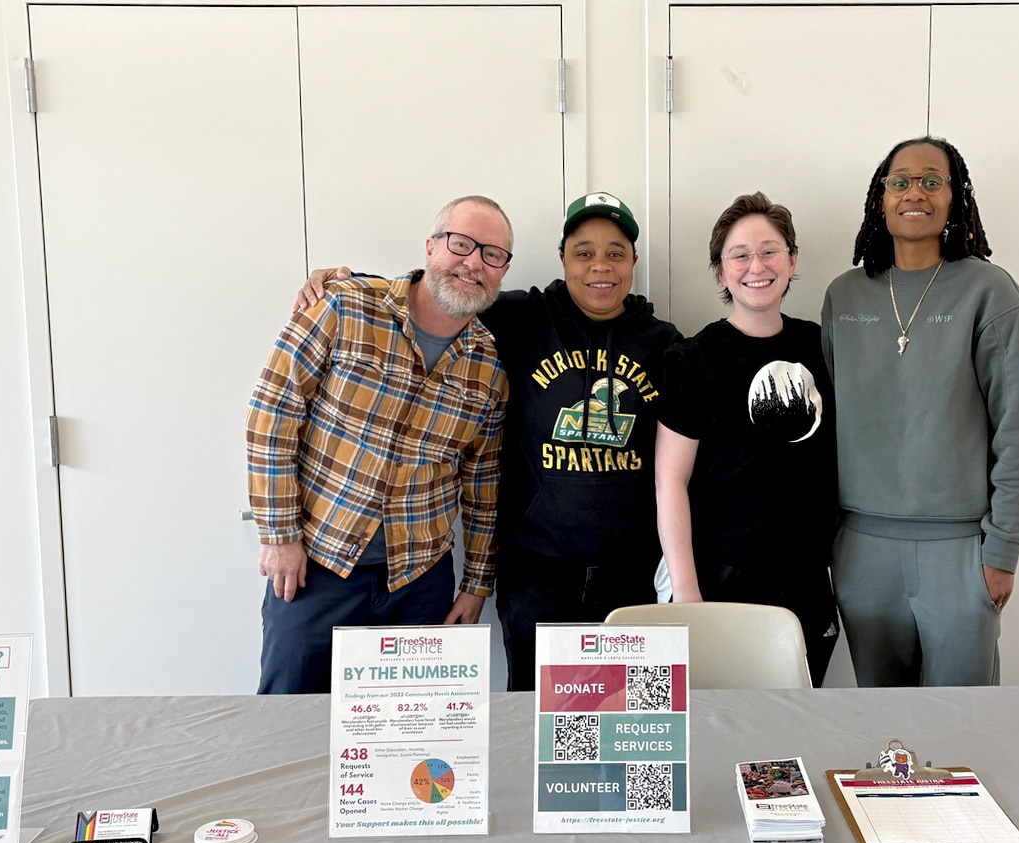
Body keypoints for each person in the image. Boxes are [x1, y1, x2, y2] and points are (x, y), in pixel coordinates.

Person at [293, 193, 680, 691]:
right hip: (537, 573)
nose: (599, 266)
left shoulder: (666, 344)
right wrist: (345, 280)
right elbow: (440, 293)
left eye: (615, 252)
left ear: (633, 261)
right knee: (544, 722)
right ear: (563, 258)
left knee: (631, 722)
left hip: (633, 573)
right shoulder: (519, 318)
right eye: (584, 252)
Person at [247, 195, 513, 694]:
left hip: (419, 584)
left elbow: (483, 485)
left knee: (408, 741)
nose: (474, 262)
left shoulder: (489, 369)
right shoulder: (344, 306)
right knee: (287, 722)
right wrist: (279, 535)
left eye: (492, 254)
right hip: (315, 570)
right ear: (431, 247)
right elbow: (272, 413)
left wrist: (477, 583)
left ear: (501, 272)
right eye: (462, 244)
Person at [821, 136, 1019, 687]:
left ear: (954, 197)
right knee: (885, 735)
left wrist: (1004, 548)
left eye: (930, 180)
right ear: (880, 199)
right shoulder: (844, 297)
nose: (913, 193)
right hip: (860, 549)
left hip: (962, 548)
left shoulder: (990, 292)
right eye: (899, 181)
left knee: (962, 729)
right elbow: (825, 426)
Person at [654, 192, 840, 686]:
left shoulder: (823, 346)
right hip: (719, 580)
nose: (756, 266)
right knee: (718, 729)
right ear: (720, 271)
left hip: (805, 583)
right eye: (739, 255)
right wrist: (688, 598)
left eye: (770, 250)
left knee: (790, 730)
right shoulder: (692, 358)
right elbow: (670, 480)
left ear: (792, 260)